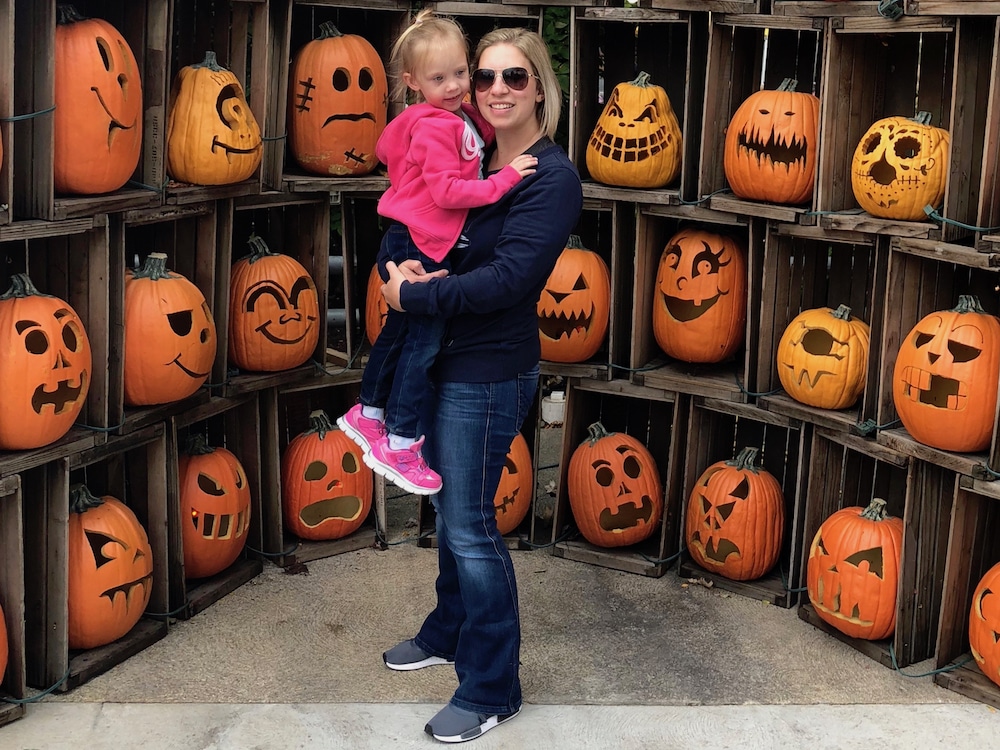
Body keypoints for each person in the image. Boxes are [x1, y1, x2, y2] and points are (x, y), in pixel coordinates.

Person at [378, 26, 583, 744]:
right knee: (449, 511)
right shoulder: (464, 147)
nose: (496, 88)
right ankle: (447, 629)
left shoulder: (548, 177)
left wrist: (414, 300)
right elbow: (410, 222)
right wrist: (390, 273)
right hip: (437, 358)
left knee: (471, 527)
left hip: (489, 368)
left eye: (514, 77)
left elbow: (507, 281)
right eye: (486, 75)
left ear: (539, 89)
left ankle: (493, 684)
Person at [337, 9, 537, 496]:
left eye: (460, 73)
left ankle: (368, 411)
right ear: (410, 82)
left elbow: (465, 142)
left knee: (401, 332)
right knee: (422, 343)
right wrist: (504, 180)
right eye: (438, 78)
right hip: (420, 240)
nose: (454, 86)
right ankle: (401, 439)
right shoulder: (431, 127)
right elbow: (449, 191)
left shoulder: (450, 117)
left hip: (413, 234)